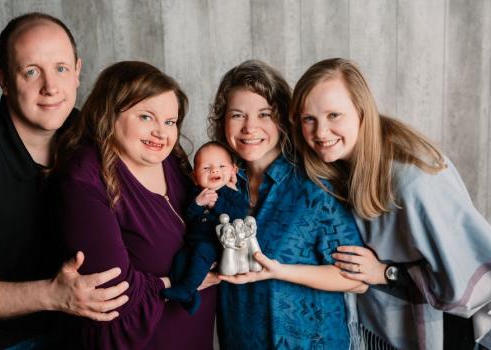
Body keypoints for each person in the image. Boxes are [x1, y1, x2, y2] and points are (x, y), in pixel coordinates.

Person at [0, 13, 128, 349]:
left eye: (61, 69)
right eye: (31, 71)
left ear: (78, 71)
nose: (51, 87)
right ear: (4, 80)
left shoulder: (93, 138)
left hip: (74, 327)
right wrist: (53, 295)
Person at [289, 57, 491, 349]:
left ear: (361, 111)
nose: (320, 133)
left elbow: (464, 285)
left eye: (334, 115)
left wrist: (385, 273)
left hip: (444, 330)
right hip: (381, 326)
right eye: (309, 118)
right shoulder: (338, 167)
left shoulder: (414, 181)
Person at [53, 61, 218, 349]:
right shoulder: (85, 178)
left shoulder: (171, 160)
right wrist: (184, 282)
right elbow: (112, 294)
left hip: (192, 335)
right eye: (146, 117)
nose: (161, 133)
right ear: (110, 113)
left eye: (170, 122)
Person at [208, 60, 368, 350]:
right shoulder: (216, 185)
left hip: (309, 342)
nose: (249, 127)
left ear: (283, 120)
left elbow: (357, 280)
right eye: (237, 115)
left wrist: (280, 270)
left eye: (264, 114)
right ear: (223, 121)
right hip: (240, 339)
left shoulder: (316, 186)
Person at [162, 141, 246, 314]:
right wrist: (198, 203)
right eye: (206, 168)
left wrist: (217, 204)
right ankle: (188, 295)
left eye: (221, 166)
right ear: (195, 177)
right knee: (179, 260)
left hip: (215, 245)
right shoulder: (196, 194)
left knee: (201, 252)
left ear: (233, 171)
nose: (214, 171)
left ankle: (186, 290)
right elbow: (188, 216)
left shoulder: (233, 196)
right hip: (192, 243)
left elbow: (239, 216)